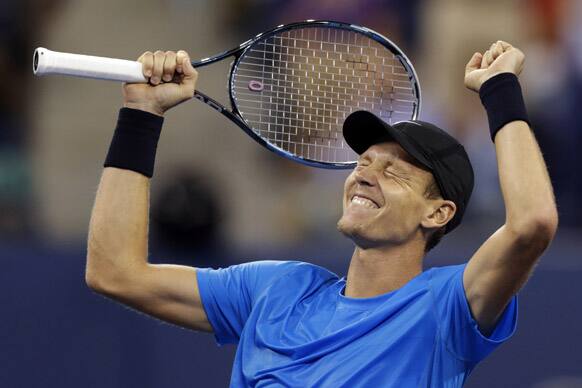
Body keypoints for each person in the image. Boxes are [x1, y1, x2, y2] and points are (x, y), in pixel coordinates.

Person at [85, 42, 558, 387]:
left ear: (438, 212)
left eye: (393, 172)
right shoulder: (276, 289)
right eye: (363, 163)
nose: (364, 176)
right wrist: (142, 114)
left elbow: (532, 223)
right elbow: (115, 272)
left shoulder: (445, 310)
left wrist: (500, 93)